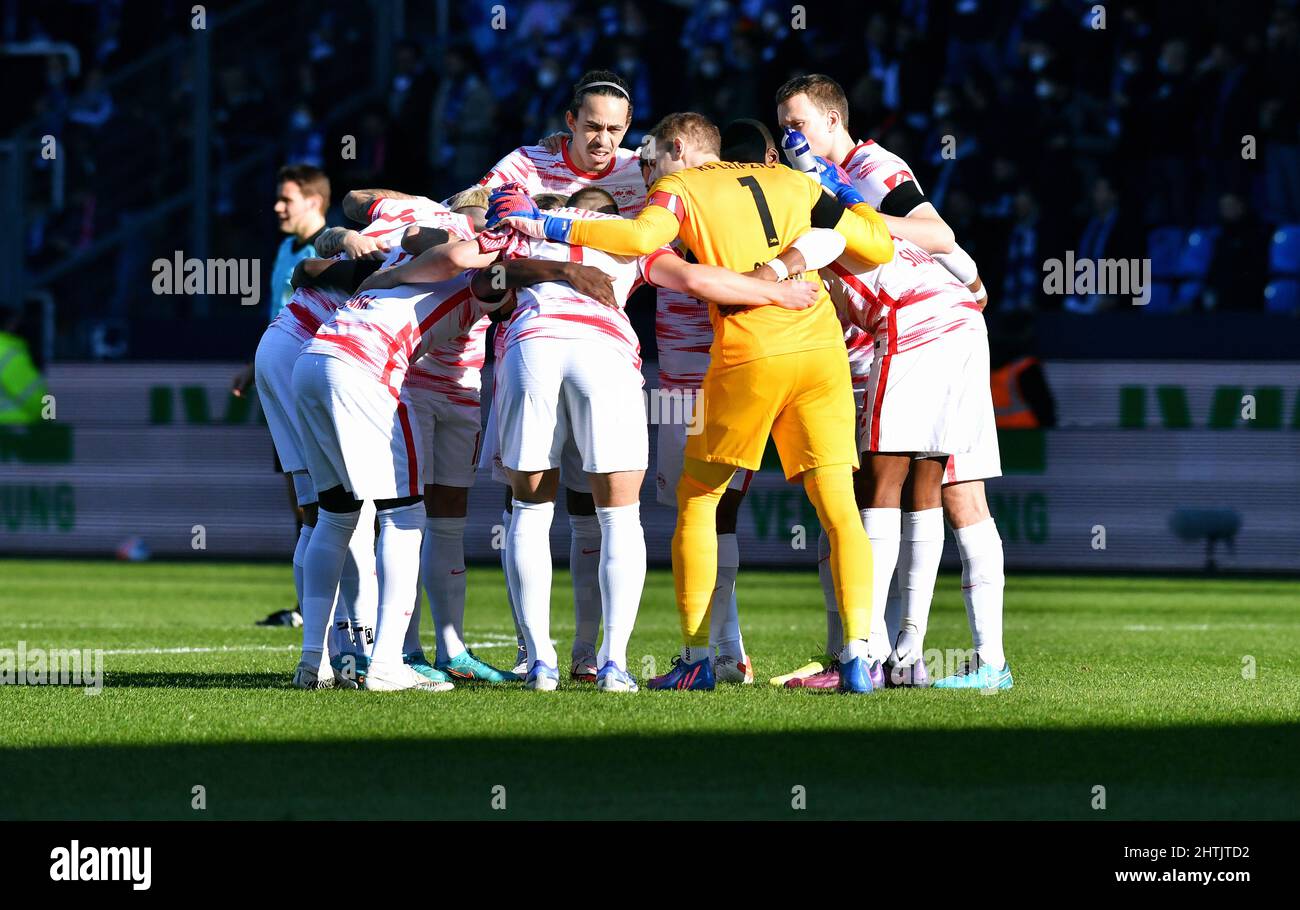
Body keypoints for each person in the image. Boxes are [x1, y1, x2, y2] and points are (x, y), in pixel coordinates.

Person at [492, 110, 904, 693]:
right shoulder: (794, 180)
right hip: (820, 350)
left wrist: (547, 223)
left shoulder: (680, 185)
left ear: (678, 149)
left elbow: (638, 238)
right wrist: (832, 193)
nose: (648, 168)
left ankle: (697, 658)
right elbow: (880, 245)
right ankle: (859, 655)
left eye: (653, 156)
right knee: (837, 505)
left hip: (750, 349)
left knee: (699, 499)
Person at [480, 183, 825, 690]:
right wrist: (776, 289)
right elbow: (696, 279)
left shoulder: (526, 234)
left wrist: (527, 250)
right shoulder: (631, 242)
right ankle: (613, 663)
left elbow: (482, 284)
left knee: (530, 511)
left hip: (532, 347)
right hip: (604, 353)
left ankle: (539, 663)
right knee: (619, 517)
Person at [774, 73, 1012, 690]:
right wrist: (975, 287)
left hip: (911, 326)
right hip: (932, 324)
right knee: (940, 487)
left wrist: (847, 215)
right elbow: (950, 255)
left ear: (833, 118)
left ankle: (869, 656)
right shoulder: (821, 194)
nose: (790, 135)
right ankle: (919, 656)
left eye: (798, 122)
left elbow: (936, 233)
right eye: (784, 127)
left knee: (881, 488)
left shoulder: (868, 166)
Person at [473, 70, 646, 680]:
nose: (603, 141)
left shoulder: (642, 170)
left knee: (544, 508)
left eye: (615, 130)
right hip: (570, 342)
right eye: (592, 127)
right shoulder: (524, 164)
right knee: (591, 508)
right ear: (568, 122)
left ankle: (563, 659)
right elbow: (478, 237)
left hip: (545, 344)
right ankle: (580, 661)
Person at [233, 164, 331, 628]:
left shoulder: (329, 249)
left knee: (324, 494)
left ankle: (331, 603)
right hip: (280, 377)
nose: (277, 207)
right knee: (300, 493)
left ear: (315, 202)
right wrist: (253, 367)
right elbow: (280, 316)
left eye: (286, 199)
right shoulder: (284, 250)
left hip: (312, 381)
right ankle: (308, 603)